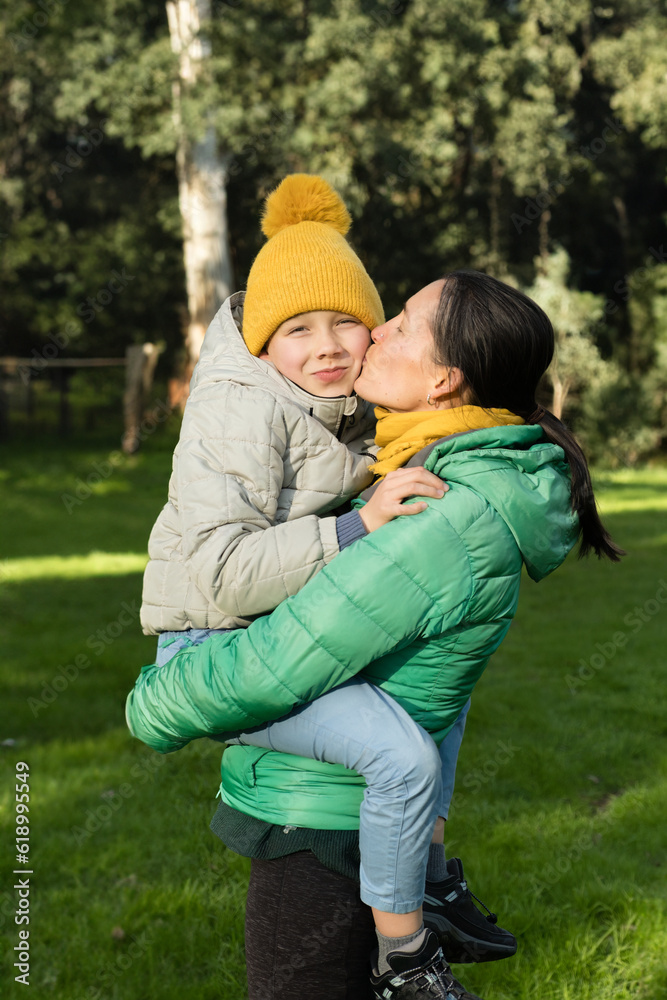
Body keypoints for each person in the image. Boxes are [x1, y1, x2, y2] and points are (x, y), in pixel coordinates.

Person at [128, 270, 623, 998]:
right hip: (331, 804)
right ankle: (428, 892)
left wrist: (156, 705)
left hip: (317, 823)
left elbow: (278, 663)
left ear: (443, 380)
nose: (374, 330)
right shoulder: (425, 456)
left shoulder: (441, 504)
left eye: (402, 323)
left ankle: (407, 953)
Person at [137, 177, 515, 996]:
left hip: (285, 636)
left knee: (444, 685)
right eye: (297, 328)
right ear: (262, 342)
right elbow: (222, 574)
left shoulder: (335, 399)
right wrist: (356, 527)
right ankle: (404, 955)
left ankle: (430, 877)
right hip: (216, 647)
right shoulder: (241, 413)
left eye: (347, 320)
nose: (329, 346)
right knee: (399, 754)